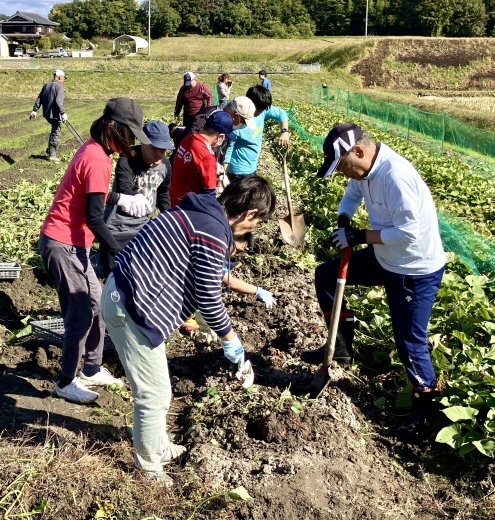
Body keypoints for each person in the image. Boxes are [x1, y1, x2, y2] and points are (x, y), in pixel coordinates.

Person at [101, 176, 276, 484]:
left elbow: (205, 279)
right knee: (153, 394)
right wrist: (231, 341)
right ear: (250, 214)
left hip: (129, 296)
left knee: (159, 390)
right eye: (257, 223)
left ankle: (159, 446)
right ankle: (148, 467)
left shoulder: (205, 213)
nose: (253, 229)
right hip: (130, 306)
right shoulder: (213, 230)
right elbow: (208, 296)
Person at [300, 123, 446, 441]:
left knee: (410, 342)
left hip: (413, 270)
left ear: (359, 152)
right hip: (385, 258)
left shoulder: (396, 176)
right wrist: (344, 219)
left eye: (342, 166)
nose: (342, 173)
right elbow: (352, 195)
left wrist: (361, 236)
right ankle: (340, 349)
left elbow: (410, 234)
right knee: (325, 276)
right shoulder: (364, 173)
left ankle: (426, 413)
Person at [39, 97, 152, 405]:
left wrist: (118, 199)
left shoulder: (95, 150)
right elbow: (93, 217)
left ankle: (91, 367)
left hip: (74, 242)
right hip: (63, 243)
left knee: (98, 302)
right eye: (129, 134)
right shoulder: (98, 158)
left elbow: (94, 197)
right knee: (80, 314)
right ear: (113, 129)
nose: (131, 141)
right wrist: (121, 251)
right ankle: (66, 381)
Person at [101, 120, 174, 276]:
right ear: (143, 143)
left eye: (164, 150)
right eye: (155, 148)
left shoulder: (165, 165)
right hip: (118, 226)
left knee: (137, 274)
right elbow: (124, 187)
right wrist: (136, 198)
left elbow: (163, 193)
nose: (159, 154)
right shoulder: (127, 159)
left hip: (143, 228)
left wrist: (168, 213)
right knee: (113, 277)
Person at [223, 85, 289, 184]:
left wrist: (284, 132)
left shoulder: (262, 109)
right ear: (250, 104)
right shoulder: (236, 122)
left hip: (252, 166)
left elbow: (281, 113)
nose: (260, 113)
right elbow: (228, 149)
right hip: (238, 170)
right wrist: (223, 174)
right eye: (258, 110)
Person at [169, 110, 235, 207]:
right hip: (191, 207)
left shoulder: (189, 139)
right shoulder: (207, 156)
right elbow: (209, 194)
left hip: (175, 199)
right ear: (220, 136)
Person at [30, 69, 68, 162]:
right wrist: (63, 113)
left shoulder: (46, 85)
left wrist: (35, 110)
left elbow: (39, 98)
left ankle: (50, 150)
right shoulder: (59, 87)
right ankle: (52, 155)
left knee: (54, 131)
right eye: (63, 78)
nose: (63, 80)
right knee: (56, 132)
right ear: (59, 77)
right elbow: (58, 101)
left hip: (46, 114)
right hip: (55, 115)